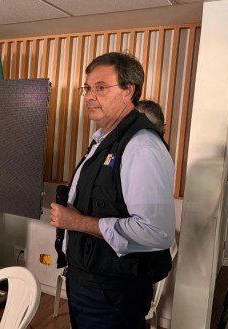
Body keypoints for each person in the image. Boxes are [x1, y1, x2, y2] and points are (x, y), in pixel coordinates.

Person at [50, 52, 175, 329]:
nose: (89, 96)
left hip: (112, 292)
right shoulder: (104, 139)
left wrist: (76, 222)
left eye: (101, 88)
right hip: (89, 282)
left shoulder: (141, 147)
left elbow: (156, 232)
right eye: (87, 88)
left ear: (128, 91)